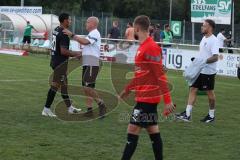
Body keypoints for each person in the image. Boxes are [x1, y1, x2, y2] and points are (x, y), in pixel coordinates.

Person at [119, 15, 175, 160]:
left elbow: (160, 75)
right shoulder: (143, 46)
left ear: (136, 28)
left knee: (132, 130)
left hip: (148, 99)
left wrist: (168, 100)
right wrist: (127, 89)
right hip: (144, 97)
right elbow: (140, 75)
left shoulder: (151, 47)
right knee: (153, 131)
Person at [176, 19, 219, 123]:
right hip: (199, 70)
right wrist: (197, 61)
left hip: (208, 72)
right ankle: (187, 114)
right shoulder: (204, 38)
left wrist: (202, 61)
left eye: (204, 26)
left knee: (210, 93)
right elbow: (203, 54)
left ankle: (211, 115)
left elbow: (216, 57)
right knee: (193, 89)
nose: (202, 27)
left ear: (210, 28)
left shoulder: (214, 40)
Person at [63, 17, 107, 118]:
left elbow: (85, 42)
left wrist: (72, 35)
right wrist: (81, 55)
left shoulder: (95, 33)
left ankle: (101, 104)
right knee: (86, 88)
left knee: (88, 87)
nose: (85, 24)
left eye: (87, 22)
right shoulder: (91, 34)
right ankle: (89, 110)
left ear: (92, 23)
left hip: (92, 63)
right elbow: (89, 48)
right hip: (88, 63)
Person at [42, 13, 82, 117]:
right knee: (55, 86)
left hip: (55, 60)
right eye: (69, 19)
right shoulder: (64, 33)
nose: (70, 21)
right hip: (60, 63)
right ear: (64, 20)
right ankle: (46, 109)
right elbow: (64, 51)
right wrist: (76, 54)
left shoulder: (57, 29)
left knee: (64, 86)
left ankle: (69, 108)